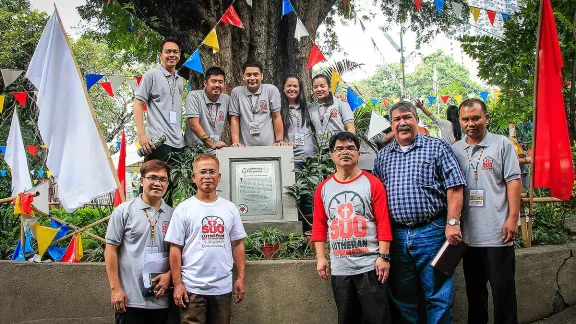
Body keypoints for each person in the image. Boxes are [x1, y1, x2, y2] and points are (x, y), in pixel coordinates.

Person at [372, 101, 466, 323]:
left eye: (407, 117)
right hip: (397, 236)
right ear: (391, 124)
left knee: (438, 295)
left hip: (432, 232)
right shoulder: (383, 156)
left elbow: (455, 187)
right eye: (397, 119)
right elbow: (377, 198)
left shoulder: (437, 147)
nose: (402, 123)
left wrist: (453, 223)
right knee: (403, 298)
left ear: (416, 120)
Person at [312, 132, 393, 324]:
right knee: (347, 318)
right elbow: (319, 225)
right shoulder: (323, 188)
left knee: (378, 319)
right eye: (339, 149)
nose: (345, 152)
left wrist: (384, 257)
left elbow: (383, 222)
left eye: (350, 148)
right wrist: (321, 258)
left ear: (358, 154)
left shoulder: (372, 183)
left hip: (370, 267)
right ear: (331, 155)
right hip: (340, 269)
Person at [452, 98, 521, 324]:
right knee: (475, 295)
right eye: (465, 119)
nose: (470, 123)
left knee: (503, 295)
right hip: (469, 239)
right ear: (460, 121)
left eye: (475, 118)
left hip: (498, 235)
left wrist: (512, 219)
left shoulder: (502, 145)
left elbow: (513, 181)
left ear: (486, 118)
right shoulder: (455, 150)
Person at [165, 154, 247, 324]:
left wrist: (241, 278)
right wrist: (178, 284)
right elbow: (175, 248)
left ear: (219, 177)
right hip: (192, 289)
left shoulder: (229, 208)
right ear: (194, 177)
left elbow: (238, 244)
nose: (208, 176)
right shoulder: (184, 209)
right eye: (203, 172)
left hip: (222, 289)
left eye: (212, 172)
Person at [105, 160, 174, 324]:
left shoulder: (174, 215)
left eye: (163, 179)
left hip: (162, 298)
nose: (157, 183)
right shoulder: (124, 211)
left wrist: (170, 276)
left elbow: (178, 253)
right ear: (141, 181)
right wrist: (115, 290)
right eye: (152, 178)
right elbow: (110, 250)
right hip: (129, 299)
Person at [134, 38, 185, 206]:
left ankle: (166, 229)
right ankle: (144, 227)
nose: (172, 55)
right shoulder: (151, 75)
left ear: (179, 55)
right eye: (168, 51)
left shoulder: (180, 80)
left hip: (178, 143)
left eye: (175, 52)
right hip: (157, 142)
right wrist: (142, 135)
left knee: (170, 189)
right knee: (151, 189)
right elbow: (138, 103)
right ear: (160, 55)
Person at [280, 74, 317, 216]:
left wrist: (339, 98)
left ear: (300, 88)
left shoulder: (309, 107)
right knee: (295, 194)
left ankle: (310, 230)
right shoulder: (279, 109)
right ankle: (297, 228)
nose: (292, 88)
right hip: (292, 158)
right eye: (289, 86)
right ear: (283, 88)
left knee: (310, 195)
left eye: (295, 86)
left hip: (310, 157)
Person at [229, 60, 288, 147]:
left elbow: (276, 116)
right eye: (248, 75)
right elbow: (234, 119)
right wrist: (235, 143)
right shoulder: (236, 92)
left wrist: (279, 140)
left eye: (256, 75)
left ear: (261, 76)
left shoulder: (271, 90)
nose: (252, 78)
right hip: (245, 147)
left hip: (269, 146)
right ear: (243, 76)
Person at [185, 66, 229, 150]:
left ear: (224, 84)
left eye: (220, 82)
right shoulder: (194, 96)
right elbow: (193, 124)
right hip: (194, 150)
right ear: (205, 83)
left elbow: (235, 119)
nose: (217, 85)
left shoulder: (226, 99)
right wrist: (211, 143)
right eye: (213, 81)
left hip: (215, 150)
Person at [308, 74, 355, 150]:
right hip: (322, 152)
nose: (319, 89)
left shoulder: (341, 103)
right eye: (315, 87)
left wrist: (350, 148)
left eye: (322, 86)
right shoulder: (311, 111)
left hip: (341, 148)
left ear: (329, 87)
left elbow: (350, 128)